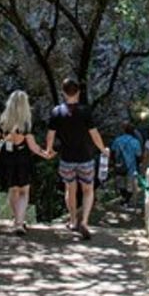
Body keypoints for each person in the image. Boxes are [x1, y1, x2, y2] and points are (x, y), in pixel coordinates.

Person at [44, 77, 110, 240]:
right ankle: (85, 222)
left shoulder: (57, 112)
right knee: (88, 190)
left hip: (67, 158)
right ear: (78, 92)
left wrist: (49, 150)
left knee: (70, 190)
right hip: (85, 157)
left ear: (63, 93)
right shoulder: (85, 111)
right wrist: (103, 149)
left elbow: (50, 135)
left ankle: (73, 220)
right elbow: (94, 134)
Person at [0, 90, 51, 235]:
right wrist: (45, 154)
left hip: (7, 157)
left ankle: (17, 220)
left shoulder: (2, 121)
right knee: (24, 191)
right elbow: (32, 146)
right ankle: (19, 222)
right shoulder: (26, 124)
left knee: (13, 190)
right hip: (22, 157)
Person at [110, 121, 143, 208]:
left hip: (119, 166)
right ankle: (126, 202)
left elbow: (112, 153)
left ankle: (124, 200)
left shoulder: (117, 140)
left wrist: (114, 163)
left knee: (121, 185)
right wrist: (139, 165)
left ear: (124, 130)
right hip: (131, 167)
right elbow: (138, 156)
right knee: (130, 186)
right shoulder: (135, 142)